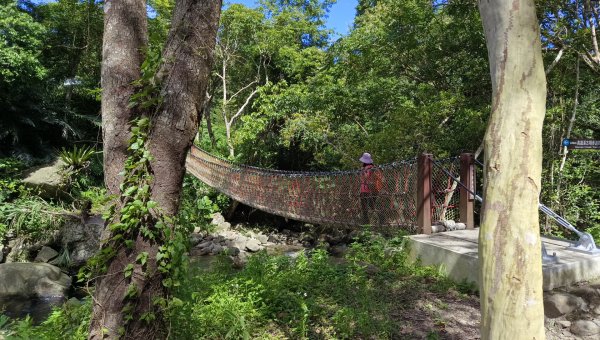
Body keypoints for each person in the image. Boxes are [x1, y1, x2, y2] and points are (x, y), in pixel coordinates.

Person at [359, 152, 383, 225]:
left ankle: (368, 222)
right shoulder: (375, 168)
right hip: (374, 190)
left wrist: (362, 171)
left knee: (365, 208)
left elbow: (365, 178)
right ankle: (375, 221)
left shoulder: (367, 169)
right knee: (372, 206)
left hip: (366, 190)